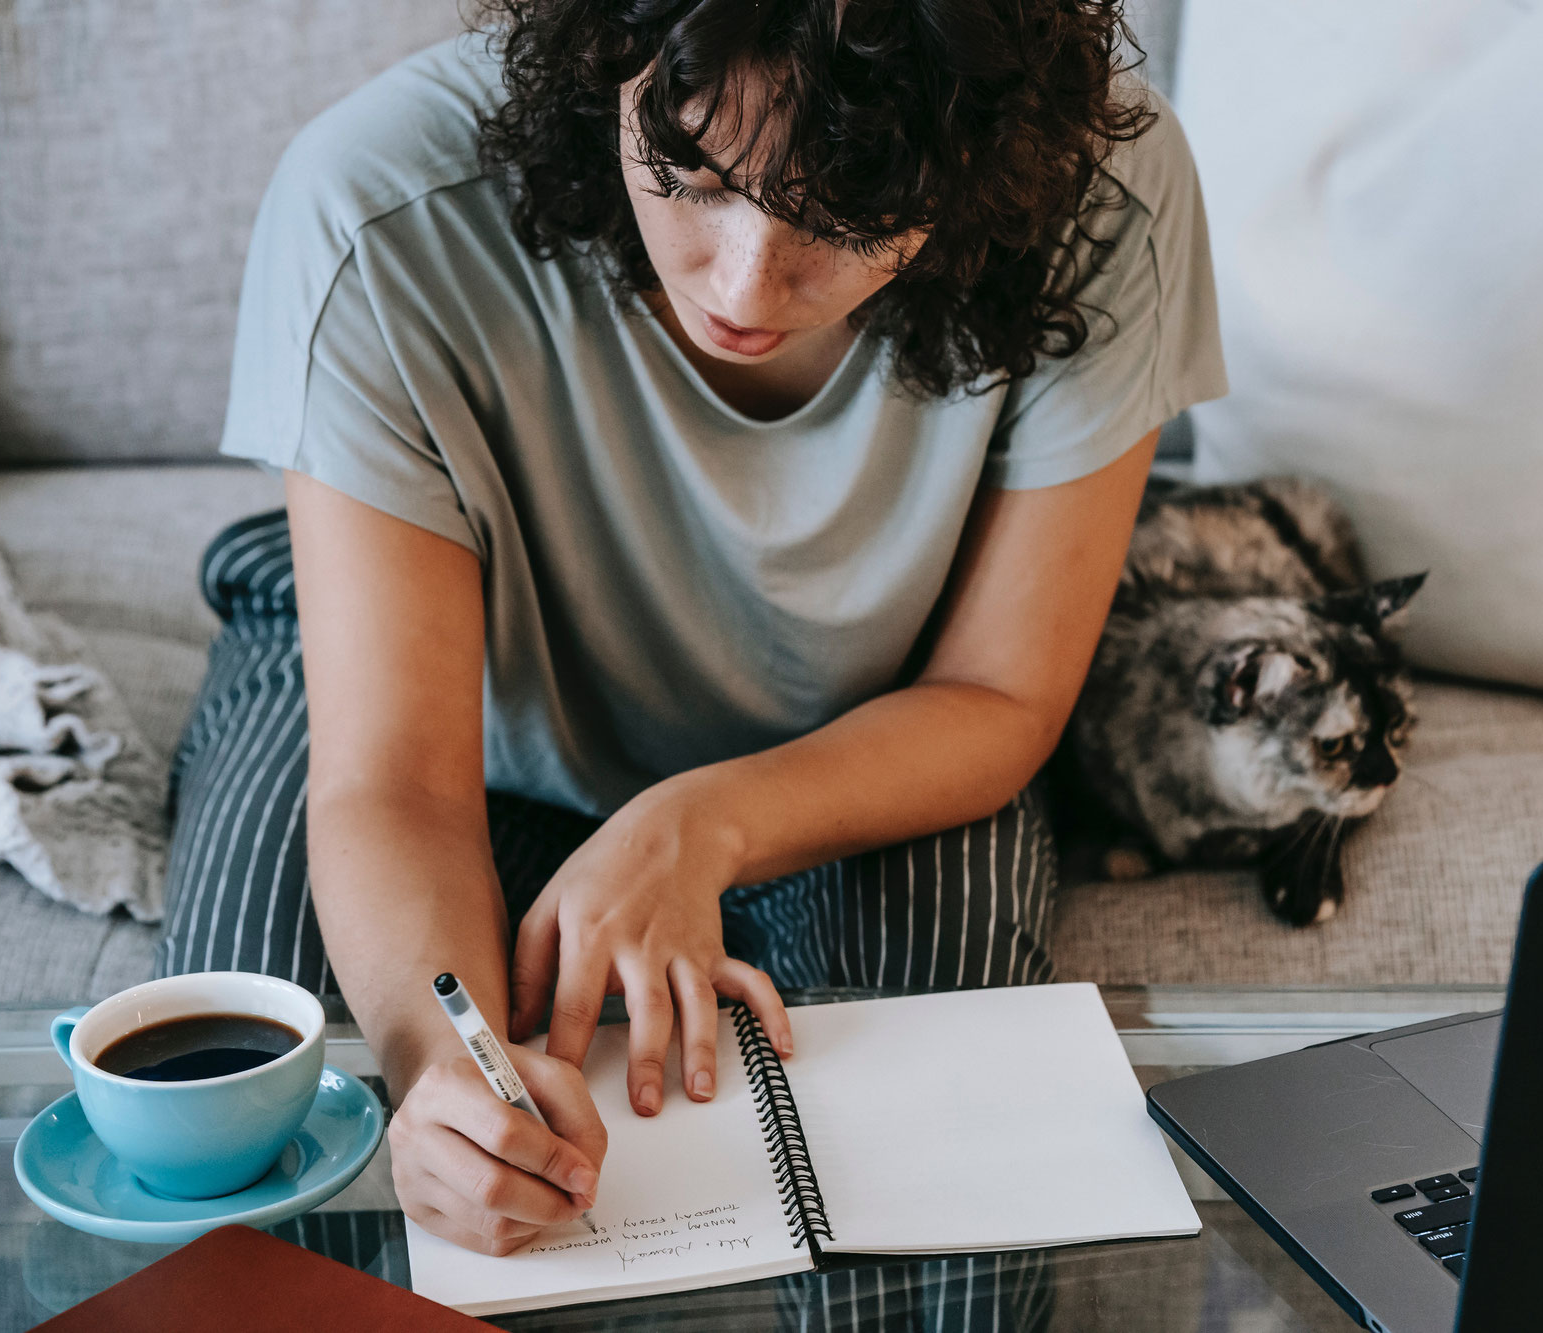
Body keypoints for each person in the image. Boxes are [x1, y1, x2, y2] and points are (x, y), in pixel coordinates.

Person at [157, 0, 1225, 1257]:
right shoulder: (371, 205)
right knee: (240, 1081)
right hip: (446, 677)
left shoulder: (1104, 192)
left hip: (857, 722)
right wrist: (443, 1075)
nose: (743, 282)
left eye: (847, 212)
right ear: (603, 63)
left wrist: (696, 827)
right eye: (694, 175)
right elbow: (390, 775)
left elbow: (998, 694)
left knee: (945, 1106)